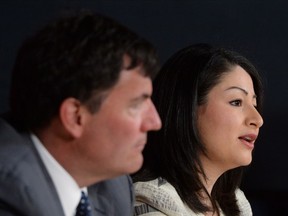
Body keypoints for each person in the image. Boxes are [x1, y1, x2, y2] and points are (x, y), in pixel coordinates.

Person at [0, 10, 162, 216]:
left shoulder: (115, 186)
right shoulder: (9, 194)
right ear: (75, 117)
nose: (155, 122)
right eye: (136, 105)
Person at [132, 43, 264, 216]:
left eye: (254, 104)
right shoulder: (150, 203)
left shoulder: (237, 204)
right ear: (187, 110)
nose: (258, 120)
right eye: (236, 102)